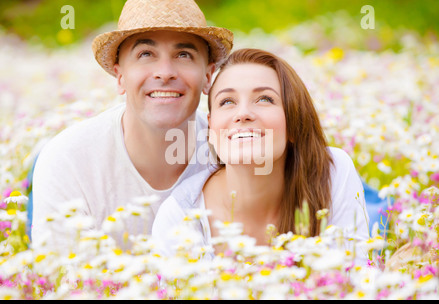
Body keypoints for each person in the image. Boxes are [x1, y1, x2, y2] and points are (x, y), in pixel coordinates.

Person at [30, 0, 233, 251]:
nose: (165, 72)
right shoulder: (67, 160)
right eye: (145, 54)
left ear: (207, 77)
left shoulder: (231, 151)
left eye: (184, 55)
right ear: (120, 77)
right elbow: (62, 281)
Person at [152, 48, 370, 262]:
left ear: (294, 122)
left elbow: (356, 282)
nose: (243, 114)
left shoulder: (332, 172)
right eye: (227, 101)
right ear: (211, 128)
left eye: (265, 99)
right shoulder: (180, 219)